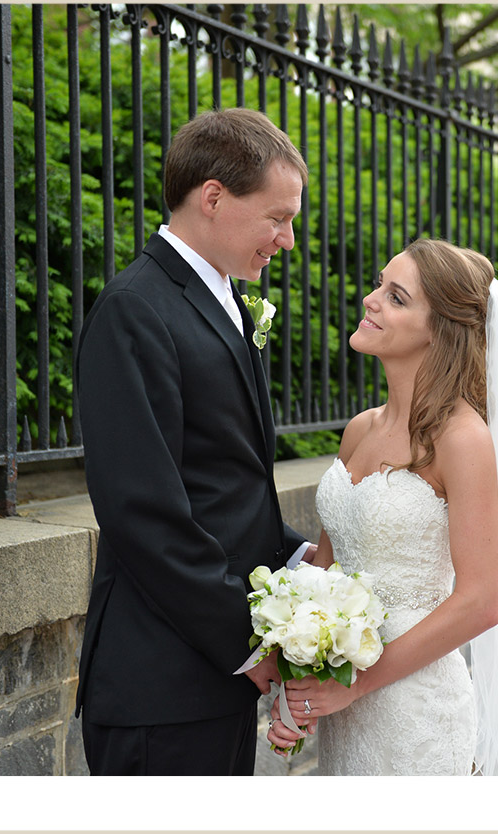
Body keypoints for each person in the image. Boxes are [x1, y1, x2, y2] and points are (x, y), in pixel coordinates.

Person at [74, 108, 317, 775]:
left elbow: (223, 480)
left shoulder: (224, 303)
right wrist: (248, 642)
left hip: (209, 683)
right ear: (213, 197)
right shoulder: (136, 308)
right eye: (277, 217)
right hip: (162, 685)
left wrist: (301, 565)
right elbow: (143, 511)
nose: (286, 239)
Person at [267, 238, 498, 775]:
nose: (372, 300)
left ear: (439, 331)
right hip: (345, 709)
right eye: (380, 284)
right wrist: (295, 684)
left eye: (396, 297)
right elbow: (325, 576)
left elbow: (481, 602)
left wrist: (357, 686)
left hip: (415, 711)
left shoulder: (463, 440)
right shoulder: (358, 430)